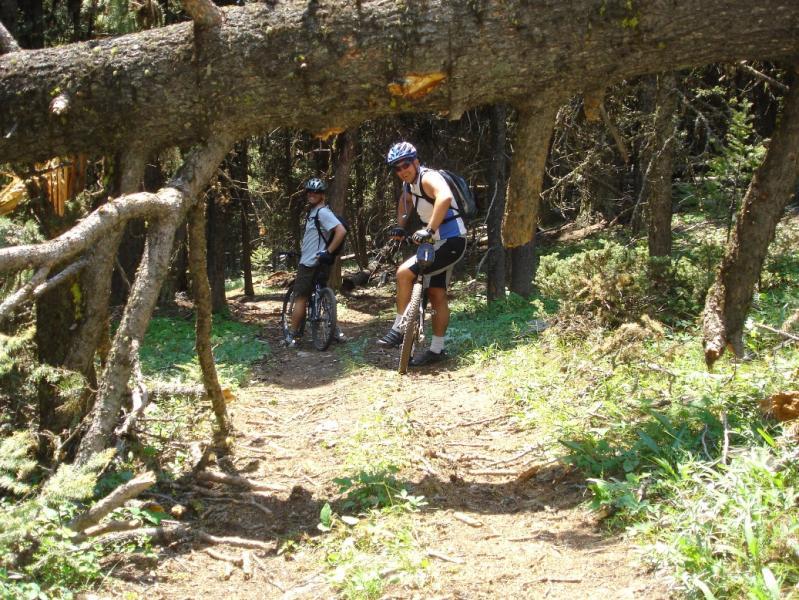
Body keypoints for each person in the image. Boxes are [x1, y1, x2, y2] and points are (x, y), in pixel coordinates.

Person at [377, 142, 467, 366]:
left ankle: (399, 327)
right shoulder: (410, 185)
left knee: (403, 273)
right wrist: (400, 226)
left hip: (450, 240)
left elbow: (444, 197)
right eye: (396, 168)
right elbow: (404, 201)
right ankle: (437, 350)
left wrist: (429, 230)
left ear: (416, 162)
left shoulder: (428, 177)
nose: (402, 171)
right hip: (437, 243)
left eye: (406, 165)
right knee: (436, 294)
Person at [285, 177, 347, 348]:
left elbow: (340, 231)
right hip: (317, 260)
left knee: (301, 298)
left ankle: (291, 335)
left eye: (317, 192)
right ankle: (334, 331)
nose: (312, 194)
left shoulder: (322, 213)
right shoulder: (313, 213)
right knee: (321, 294)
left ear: (322, 195)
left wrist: (328, 252)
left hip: (312, 262)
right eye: (309, 191)